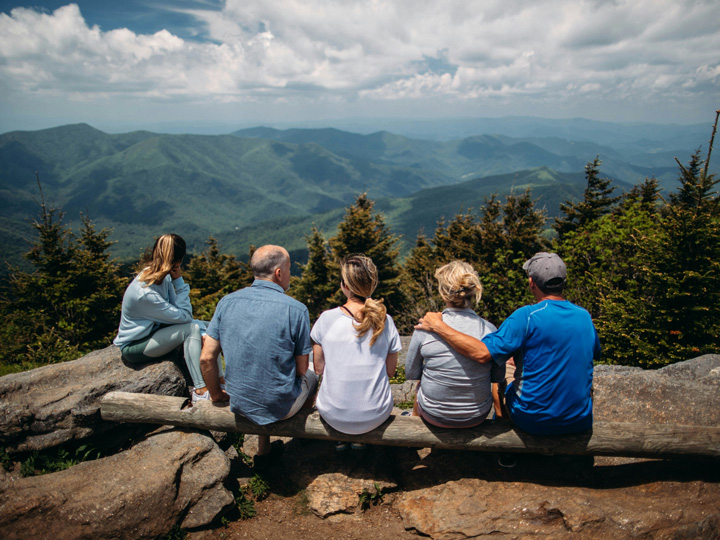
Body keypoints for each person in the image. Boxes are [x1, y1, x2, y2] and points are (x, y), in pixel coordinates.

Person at [416, 252, 600, 436]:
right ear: (563, 281)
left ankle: (504, 437)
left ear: (531, 282)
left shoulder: (526, 316)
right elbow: (591, 353)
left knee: (502, 371)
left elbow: (482, 354)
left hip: (532, 419)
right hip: (578, 419)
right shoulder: (584, 316)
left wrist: (438, 326)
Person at [199, 245, 318, 464]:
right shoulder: (296, 309)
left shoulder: (227, 302)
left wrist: (216, 395)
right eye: (289, 269)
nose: (290, 274)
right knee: (313, 376)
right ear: (279, 273)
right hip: (281, 407)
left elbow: (206, 358)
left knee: (258, 370)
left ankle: (264, 450)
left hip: (239, 402)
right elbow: (301, 370)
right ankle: (304, 438)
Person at [114, 233, 222, 402]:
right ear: (177, 262)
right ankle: (200, 390)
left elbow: (178, 313)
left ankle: (220, 381)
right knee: (192, 329)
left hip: (154, 332)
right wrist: (179, 281)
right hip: (135, 346)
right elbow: (185, 317)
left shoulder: (158, 277)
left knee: (211, 326)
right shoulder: (146, 293)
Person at [310, 254, 402, 450]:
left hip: (334, 415)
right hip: (376, 414)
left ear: (345, 286)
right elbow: (390, 371)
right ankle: (360, 441)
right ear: (372, 285)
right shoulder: (386, 321)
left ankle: (342, 438)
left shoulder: (326, 319)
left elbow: (319, 369)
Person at [405, 261, 502, 428]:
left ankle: (413, 430)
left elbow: (411, 373)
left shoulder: (425, 327)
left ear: (443, 294)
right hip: (477, 415)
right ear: (473, 291)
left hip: (434, 415)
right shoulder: (489, 329)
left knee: (420, 383)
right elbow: (497, 377)